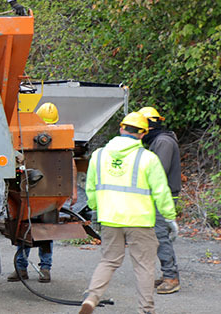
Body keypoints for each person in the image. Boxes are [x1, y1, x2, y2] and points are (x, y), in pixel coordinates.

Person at [79, 112, 177, 314]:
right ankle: (146, 309)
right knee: (144, 266)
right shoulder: (148, 159)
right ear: (143, 134)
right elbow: (161, 191)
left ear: (122, 129)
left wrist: (97, 208)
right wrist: (169, 216)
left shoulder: (98, 155)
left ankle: (91, 298)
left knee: (108, 261)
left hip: (110, 218)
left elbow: (90, 188)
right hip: (140, 220)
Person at [6, 102, 58, 283]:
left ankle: (44, 269)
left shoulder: (60, 139)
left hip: (48, 194)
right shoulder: (26, 134)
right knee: (24, 230)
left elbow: (69, 165)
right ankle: (22, 269)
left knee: (45, 232)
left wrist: (72, 192)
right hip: (30, 192)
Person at [139, 106, 182, 294]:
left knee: (160, 236)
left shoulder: (163, 142)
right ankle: (168, 275)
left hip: (164, 196)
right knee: (158, 236)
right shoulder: (159, 140)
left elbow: (158, 171)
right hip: (161, 194)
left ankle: (171, 277)